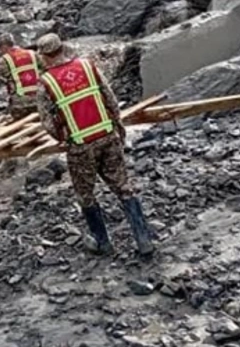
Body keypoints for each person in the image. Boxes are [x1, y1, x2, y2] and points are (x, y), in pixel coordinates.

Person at [35, 34, 153, 256]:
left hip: (80, 146)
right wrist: (117, 128)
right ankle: (143, 238)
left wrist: (64, 137)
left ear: (44, 56)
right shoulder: (88, 67)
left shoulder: (46, 82)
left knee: (86, 194)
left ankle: (103, 242)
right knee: (123, 187)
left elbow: (47, 123)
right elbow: (110, 99)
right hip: (107, 136)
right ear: (62, 48)